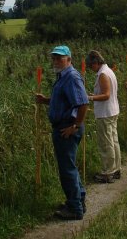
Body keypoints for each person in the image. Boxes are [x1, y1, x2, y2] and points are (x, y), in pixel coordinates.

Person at [35, 46, 89, 220]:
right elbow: (64, 101)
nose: (56, 61)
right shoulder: (63, 77)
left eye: (60, 58)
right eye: (54, 58)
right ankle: (78, 201)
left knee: (67, 169)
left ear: (69, 59)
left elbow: (83, 103)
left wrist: (75, 126)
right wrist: (46, 100)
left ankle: (74, 209)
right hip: (65, 126)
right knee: (70, 166)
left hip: (67, 128)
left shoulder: (71, 77)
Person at [87, 50, 121, 183]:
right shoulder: (109, 71)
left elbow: (106, 95)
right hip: (112, 110)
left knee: (106, 143)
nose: (91, 68)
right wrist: (95, 95)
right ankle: (116, 168)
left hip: (105, 113)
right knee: (113, 140)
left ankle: (108, 172)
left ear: (96, 62)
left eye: (91, 65)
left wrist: (90, 97)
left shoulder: (102, 74)